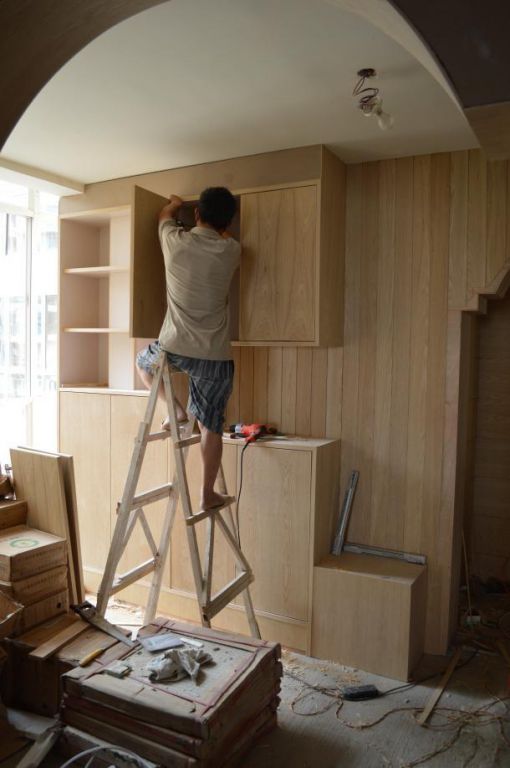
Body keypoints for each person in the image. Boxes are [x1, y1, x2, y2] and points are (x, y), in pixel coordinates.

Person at [136, 186, 240, 511]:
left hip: (175, 348)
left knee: (143, 364)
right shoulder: (231, 250)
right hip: (214, 355)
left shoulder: (174, 241)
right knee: (211, 426)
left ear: (197, 213)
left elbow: (164, 215)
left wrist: (174, 203)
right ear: (229, 222)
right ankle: (207, 494)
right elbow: (224, 237)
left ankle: (177, 411)